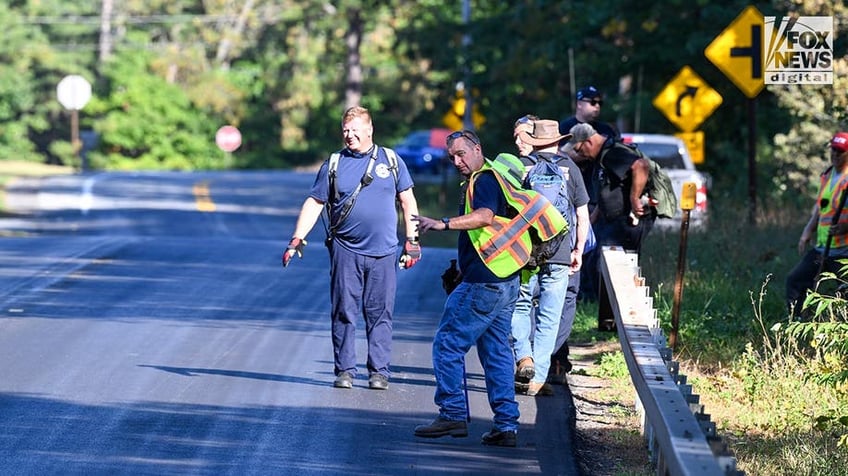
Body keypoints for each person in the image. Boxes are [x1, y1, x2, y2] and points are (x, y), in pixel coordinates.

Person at [413, 130, 553, 447]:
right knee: (497, 353)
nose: (457, 161)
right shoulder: (494, 178)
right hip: (505, 279)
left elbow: (485, 217)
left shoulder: (485, 180)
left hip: (486, 282)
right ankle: (506, 426)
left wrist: (442, 223)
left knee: (447, 344)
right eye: (451, 157)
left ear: (478, 149)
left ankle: (452, 414)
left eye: (461, 154)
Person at [282, 105, 421, 391]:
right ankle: (345, 370)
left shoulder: (391, 161)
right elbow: (315, 202)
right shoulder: (333, 164)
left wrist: (413, 241)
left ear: (369, 130)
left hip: (384, 251)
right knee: (344, 310)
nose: (349, 136)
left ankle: (379, 372)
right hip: (346, 250)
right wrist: (297, 238)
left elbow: (408, 201)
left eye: (355, 130)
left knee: (380, 313)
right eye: (345, 130)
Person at [511, 117, 590, 396]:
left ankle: (524, 357)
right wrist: (578, 250)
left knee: (519, 307)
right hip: (560, 253)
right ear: (559, 141)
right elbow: (582, 215)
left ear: (534, 142)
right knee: (549, 316)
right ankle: (538, 379)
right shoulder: (571, 169)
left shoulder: (521, 167)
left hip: (526, 254)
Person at [559, 85, 617, 304]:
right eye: (592, 102)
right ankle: (573, 292)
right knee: (572, 244)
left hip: (596, 195)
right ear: (579, 103)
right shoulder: (565, 127)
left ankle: (591, 296)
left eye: (599, 103)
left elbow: (609, 155)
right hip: (570, 194)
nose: (596, 107)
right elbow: (562, 157)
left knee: (594, 246)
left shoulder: (606, 130)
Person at [563, 122, 655, 254]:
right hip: (611, 220)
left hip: (627, 220)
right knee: (595, 264)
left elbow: (641, 165)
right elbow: (608, 190)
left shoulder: (613, 152)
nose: (580, 154)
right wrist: (591, 219)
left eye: (578, 149)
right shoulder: (600, 157)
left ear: (589, 142)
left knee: (613, 264)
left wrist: (634, 198)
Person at [786, 132, 848, 318]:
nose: (835, 154)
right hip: (822, 248)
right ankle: (796, 324)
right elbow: (821, 208)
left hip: (844, 251)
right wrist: (807, 230)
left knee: (845, 293)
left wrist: (845, 227)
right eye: (833, 150)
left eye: (840, 151)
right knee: (795, 281)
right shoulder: (827, 175)